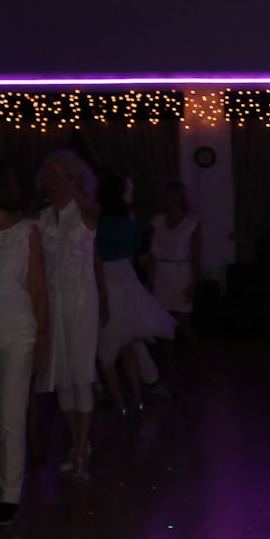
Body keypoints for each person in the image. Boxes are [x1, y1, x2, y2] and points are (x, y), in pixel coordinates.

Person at [0, 160, 48, 527]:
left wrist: (44, 336)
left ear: (0, 186)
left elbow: (38, 287)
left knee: (12, 415)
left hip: (19, 331)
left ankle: (11, 494)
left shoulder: (25, 230)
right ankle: (5, 481)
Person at [35, 150, 106, 479]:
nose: (53, 182)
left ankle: (80, 450)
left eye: (60, 176)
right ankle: (78, 444)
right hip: (53, 302)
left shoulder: (85, 212)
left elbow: (94, 216)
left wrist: (75, 188)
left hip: (80, 300)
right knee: (61, 376)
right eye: (49, 176)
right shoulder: (42, 218)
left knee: (80, 374)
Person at [94, 171, 175, 416]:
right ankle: (133, 395)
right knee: (123, 340)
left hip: (115, 281)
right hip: (116, 282)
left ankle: (127, 398)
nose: (132, 194)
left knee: (120, 341)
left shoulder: (103, 220)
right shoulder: (116, 221)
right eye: (128, 190)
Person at [146, 180, 202, 360]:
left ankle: (200, 357)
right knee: (164, 324)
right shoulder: (157, 221)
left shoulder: (191, 223)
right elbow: (152, 253)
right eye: (169, 195)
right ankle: (170, 363)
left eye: (175, 195)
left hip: (181, 275)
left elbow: (196, 256)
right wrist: (150, 279)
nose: (171, 199)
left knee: (184, 324)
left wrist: (193, 283)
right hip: (161, 274)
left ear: (182, 198)